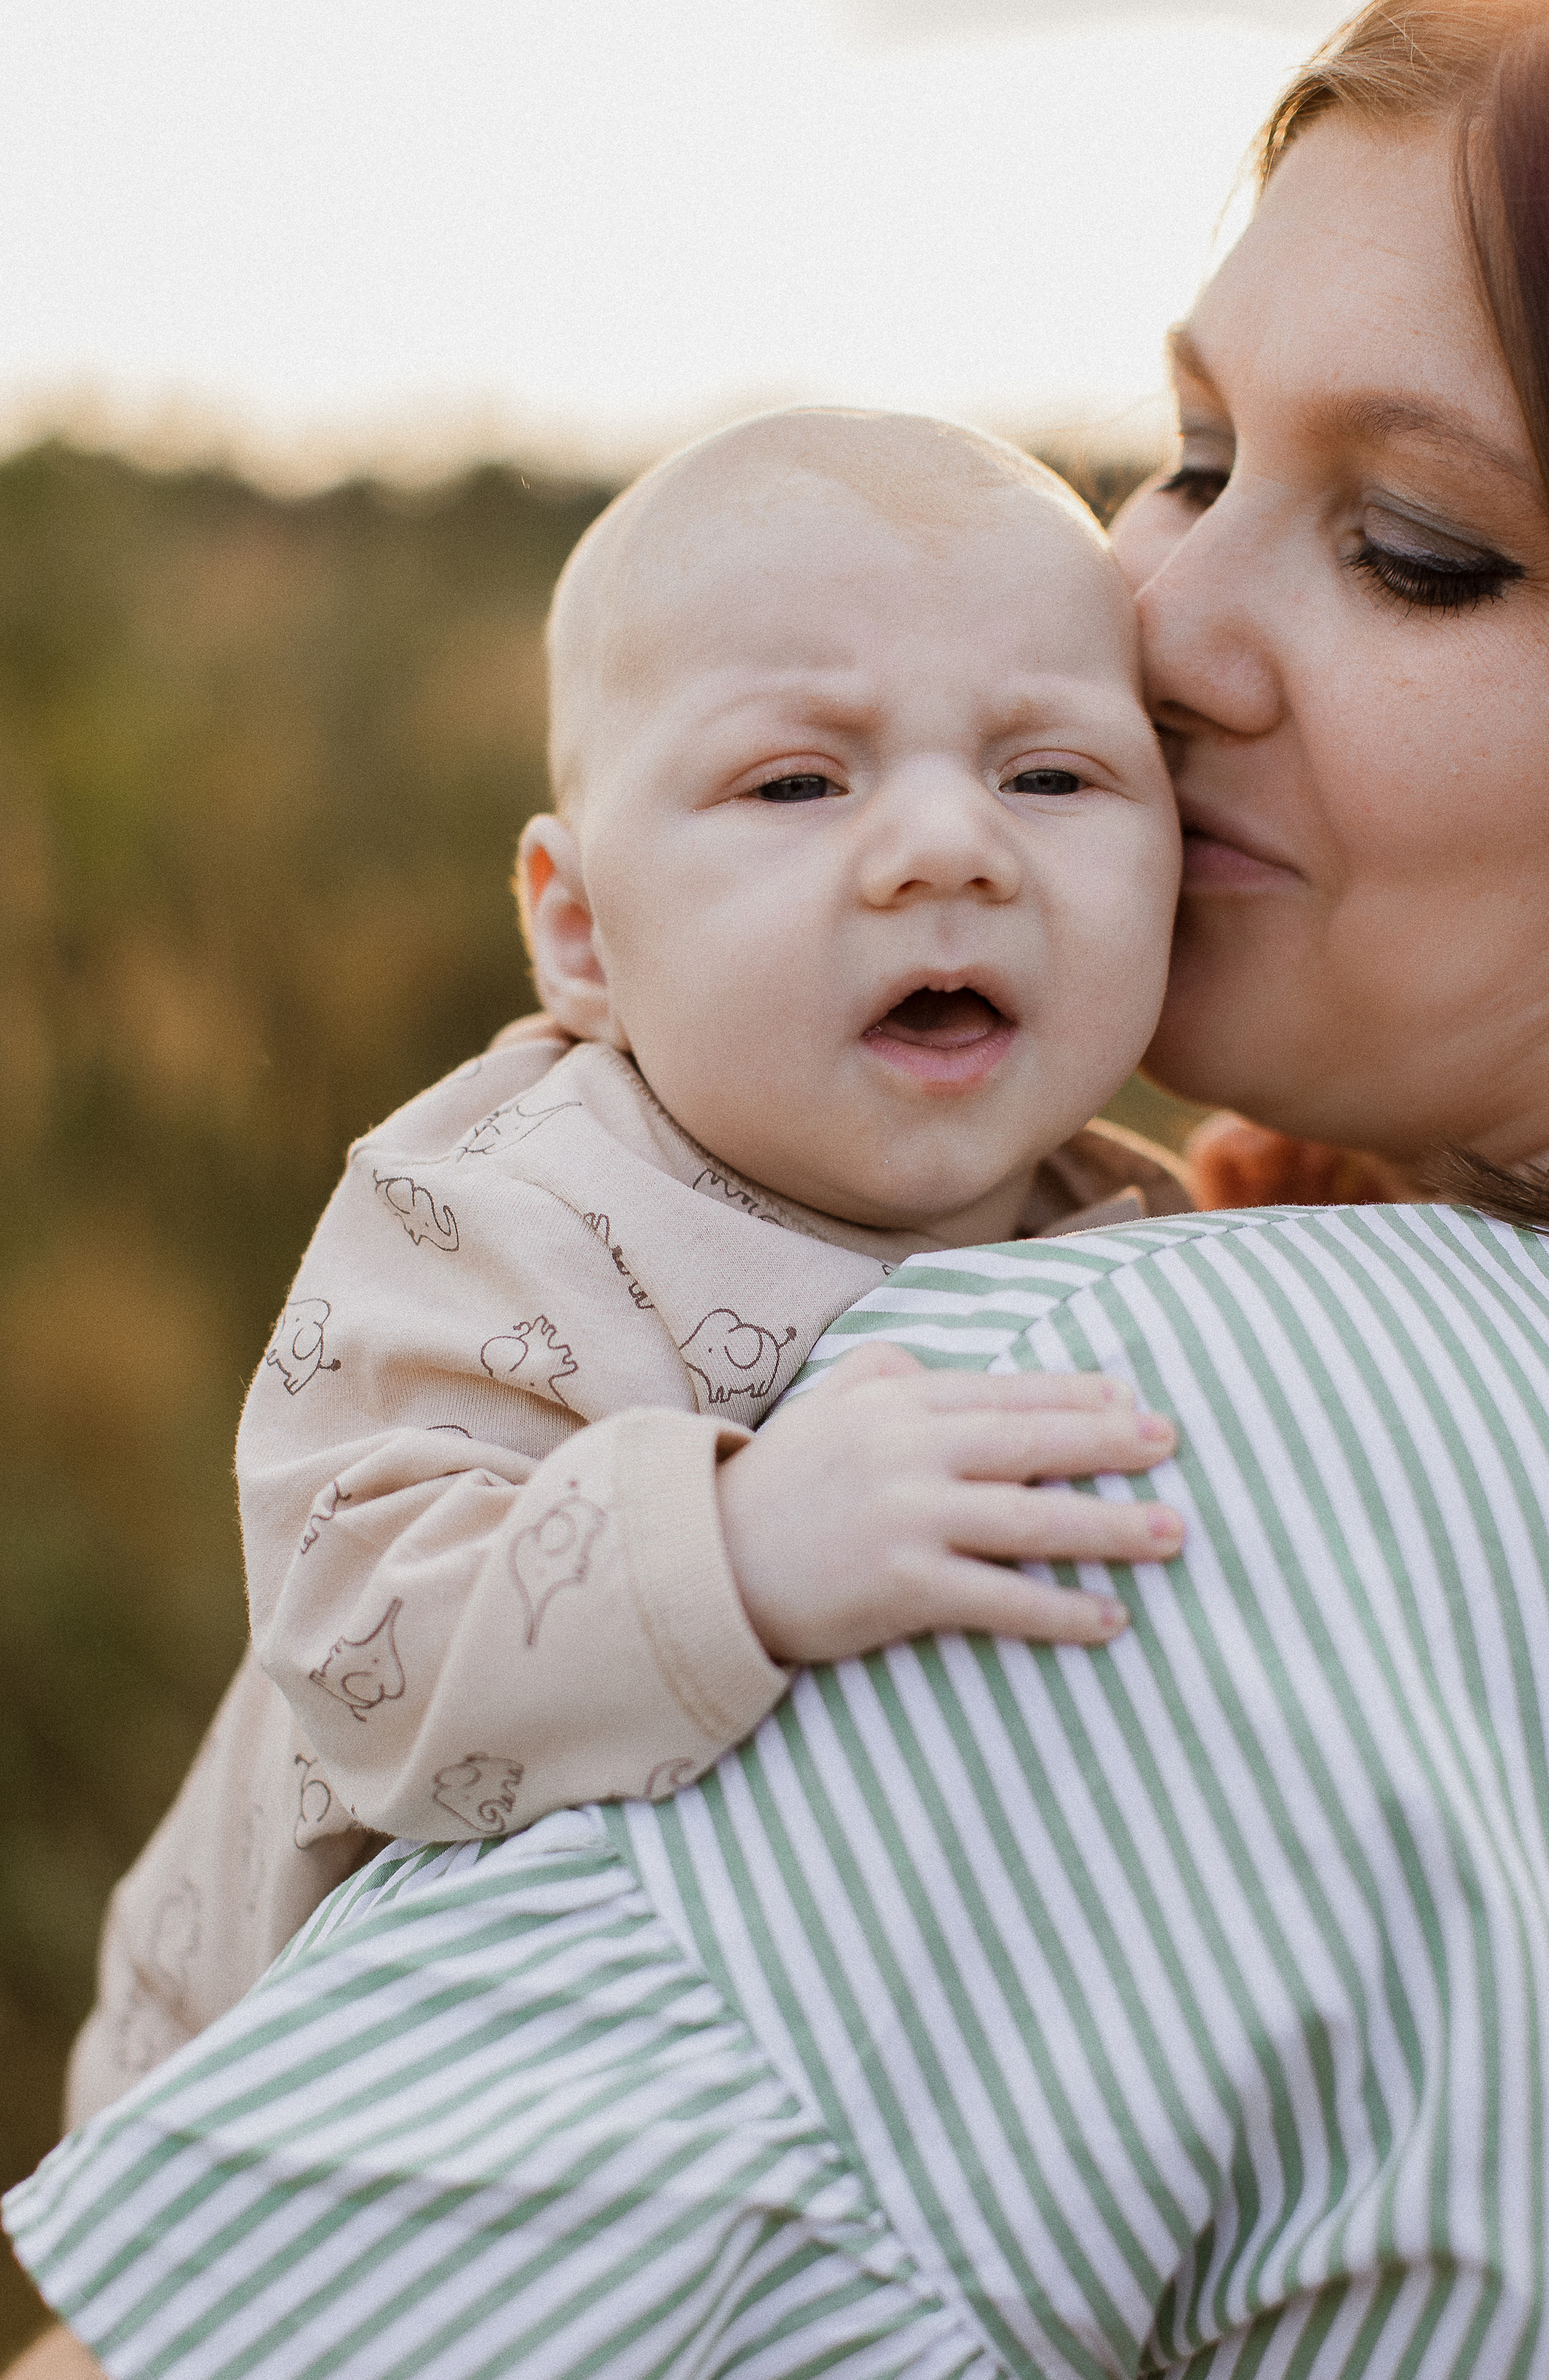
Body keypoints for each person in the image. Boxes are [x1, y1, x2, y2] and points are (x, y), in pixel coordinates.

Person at [8, 0, 1549, 2380]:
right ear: (571, 918)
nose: (1163, 629)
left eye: (1414, 549)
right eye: (1193, 458)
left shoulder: (1137, 1439)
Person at [59, 407, 1192, 2121]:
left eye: (1052, 774)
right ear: (580, 931)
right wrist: (732, 1546)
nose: (954, 846)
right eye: (799, 781)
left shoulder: (1138, 1235)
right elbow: (356, 1617)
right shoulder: (506, 1206)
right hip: (301, 2116)